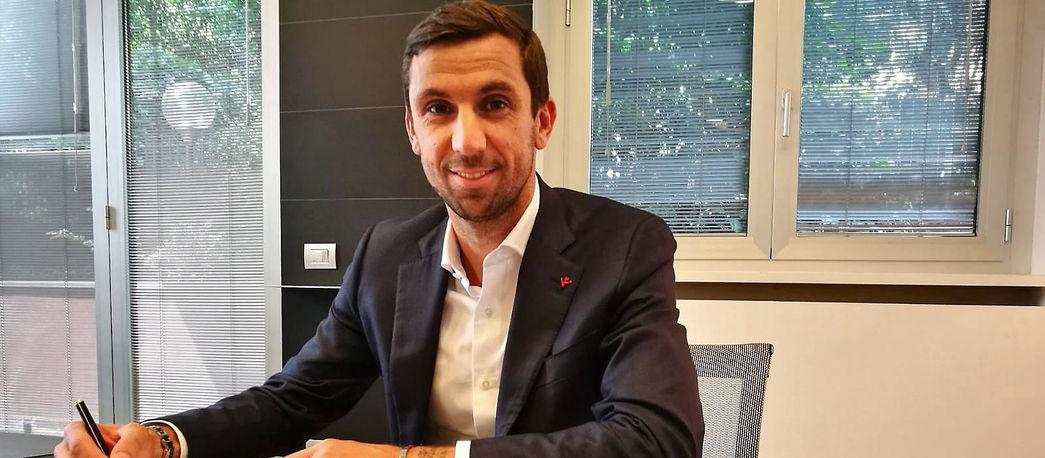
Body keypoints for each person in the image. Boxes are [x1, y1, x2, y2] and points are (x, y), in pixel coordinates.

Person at [55, 1, 703, 457]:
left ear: (541, 121)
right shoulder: (386, 256)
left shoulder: (624, 246)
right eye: (438, 108)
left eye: (495, 103)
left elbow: (658, 439)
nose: (466, 140)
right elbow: (293, 400)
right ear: (413, 131)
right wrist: (163, 441)